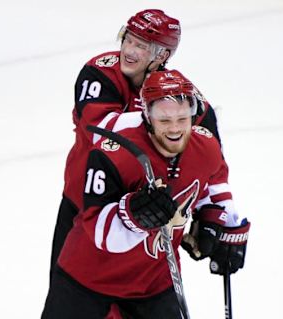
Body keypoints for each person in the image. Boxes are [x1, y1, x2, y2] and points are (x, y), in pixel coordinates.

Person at [41, 70, 250, 319]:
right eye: (164, 121)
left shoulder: (205, 147)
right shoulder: (114, 152)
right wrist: (136, 212)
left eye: (182, 119)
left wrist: (214, 223)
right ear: (147, 117)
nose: (175, 129)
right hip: (88, 283)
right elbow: (99, 230)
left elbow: (212, 185)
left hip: (154, 283)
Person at [49, 9, 222, 277]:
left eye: (141, 46)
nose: (128, 50)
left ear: (162, 55)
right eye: (127, 39)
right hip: (85, 206)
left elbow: (210, 156)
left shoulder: (177, 92)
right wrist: (159, 114)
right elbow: (99, 131)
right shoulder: (100, 71)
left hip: (148, 213)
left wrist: (213, 215)